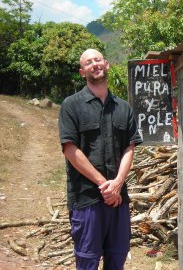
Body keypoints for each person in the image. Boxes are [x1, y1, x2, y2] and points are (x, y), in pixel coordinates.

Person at [58, 49, 142, 270]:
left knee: (117, 258)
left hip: (118, 200)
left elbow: (129, 147)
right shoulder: (71, 105)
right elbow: (70, 149)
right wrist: (103, 184)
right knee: (87, 260)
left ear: (107, 65)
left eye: (97, 60)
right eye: (88, 62)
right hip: (87, 199)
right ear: (81, 72)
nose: (94, 64)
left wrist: (117, 184)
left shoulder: (123, 107)